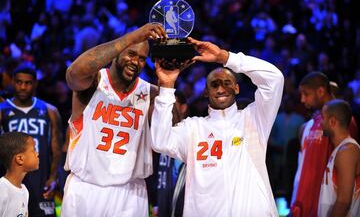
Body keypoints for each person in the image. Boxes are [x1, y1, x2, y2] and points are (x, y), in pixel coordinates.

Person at [151, 37, 284, 216]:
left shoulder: (254, 119)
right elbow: (160, 141)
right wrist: (167, 87)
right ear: (206, 92)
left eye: (226, 83)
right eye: (214, 85)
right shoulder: (193, 129)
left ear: (237, 88)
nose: (220, 89)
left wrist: (225, 57)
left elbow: (274, 79)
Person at [61, 23, 168, 216]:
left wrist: (168, 84)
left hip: (130, 193)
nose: (136, 62)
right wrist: (133, 37)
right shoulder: (93, 82)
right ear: (117, 50)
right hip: (85, 187)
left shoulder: (150, 93)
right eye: (131, 54)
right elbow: (73, 74)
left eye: (142, 59)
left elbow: (168, 135)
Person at [291, 72, 358, 217]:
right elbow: (303, 170)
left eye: (305, 93)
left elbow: (344, 195)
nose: (302, 99)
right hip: (305, 207)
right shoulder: (311, 124)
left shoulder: (344, 126)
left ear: (320, 91)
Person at [0, 63, 62, 217]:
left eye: (27, 83)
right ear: (12, 82)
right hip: (12, 182)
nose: (22, 87)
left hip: (42, 181)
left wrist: (54, 178)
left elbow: (57, 149)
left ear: (35, 83)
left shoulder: (50, 110)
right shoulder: (2, 110)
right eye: (18, 82)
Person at [318, 99, 360, 216]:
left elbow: (343, 202)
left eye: (323, 117)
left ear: (332, 121)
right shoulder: (340, 149)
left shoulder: (348, 150)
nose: (320, 122)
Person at [0, 131, 39, 217]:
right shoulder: (2, 189)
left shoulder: (25, 191)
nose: (37, 154)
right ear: (20, 158)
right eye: (34, 150)